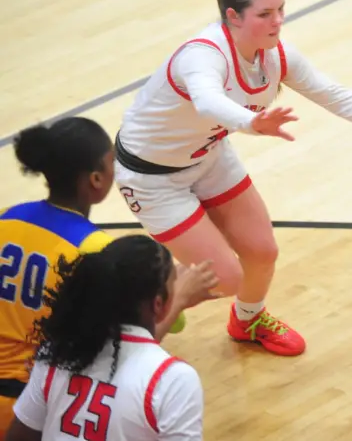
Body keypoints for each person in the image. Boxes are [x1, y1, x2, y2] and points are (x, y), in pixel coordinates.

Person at [113, 0, 352, 358]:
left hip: (208, 156)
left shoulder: (275, 56)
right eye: (265, 14)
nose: (278, 21)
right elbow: (208, 101)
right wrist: (250, 122)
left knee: (262, 251)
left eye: (281, 10)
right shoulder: (202, 55)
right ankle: (154, 291)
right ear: (233, 16)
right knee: (225, 278)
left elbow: (334, 94)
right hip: (151, 176)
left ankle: (248, 321)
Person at [0, 118, 214, 436]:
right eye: (112, 161)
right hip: (29, 405)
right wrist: (180, 296)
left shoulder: (8, 217)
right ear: (97, 179)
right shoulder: (97, 253)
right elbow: (125, 347)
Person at [6, 235, 206, 440]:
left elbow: (18, 437)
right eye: (174, 284)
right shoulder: (173, 379)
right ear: (158, 304)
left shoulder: (58, 352)